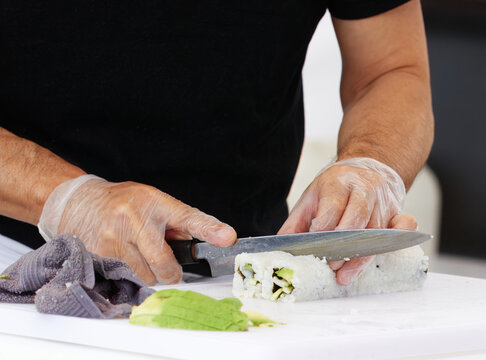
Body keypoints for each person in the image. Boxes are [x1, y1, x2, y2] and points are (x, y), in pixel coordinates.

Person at [0, 0, 433, 286]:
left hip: (242, 268)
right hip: (16, 259)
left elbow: (391, 69)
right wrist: (68, 199)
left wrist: (371, 164)